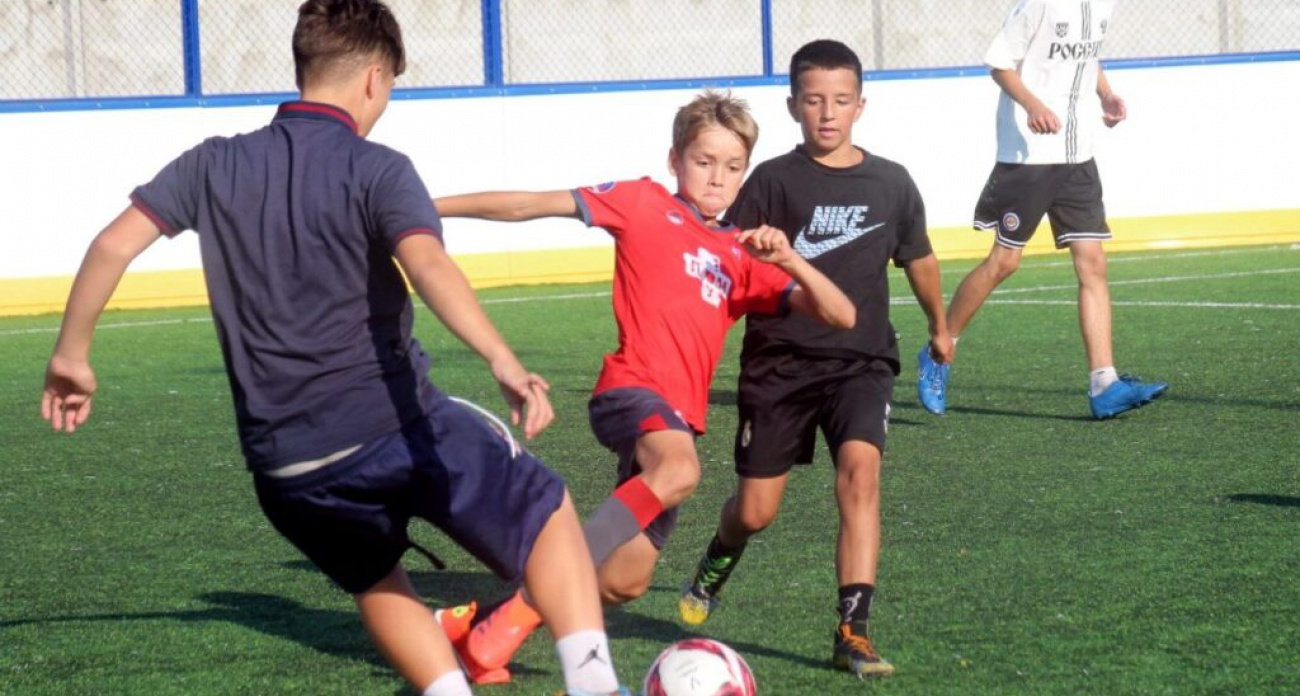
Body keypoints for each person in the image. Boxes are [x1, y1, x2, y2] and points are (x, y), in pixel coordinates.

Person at [38, 2, 630, 695]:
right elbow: (428, 264)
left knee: (376, 579)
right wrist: (502, 358)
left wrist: (71, 356)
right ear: (375, 78)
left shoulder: (211, 163)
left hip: (286, 468)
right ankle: (595, 686)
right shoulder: (378, 168)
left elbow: (111, 244)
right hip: (393, 427)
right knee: (547, 511)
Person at [427, 91, 857, 685]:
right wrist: (424, 208)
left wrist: (789, 260)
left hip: (677, 421)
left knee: (622, 582)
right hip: (630, 391)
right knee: (680, 470)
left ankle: (475, 626)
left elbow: (842, 315)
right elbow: (529, 203)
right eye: (704, 161)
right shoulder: (642, 201)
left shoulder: (741, 255)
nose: (718, 177)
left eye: (733, 167)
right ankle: (507, 625)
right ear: (675, 160)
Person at [676, 40, 953, 679]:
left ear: (861, 105)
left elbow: (919, 258)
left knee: (861, 475)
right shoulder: (771, 180)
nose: (828, 113)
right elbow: (727, 259)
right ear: (792, 106)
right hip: (779, 364)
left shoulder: (891, 182)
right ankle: (718, 556)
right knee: (756, 511)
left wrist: (941, 328)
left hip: (862, 362)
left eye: (841, 100)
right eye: (813, 100)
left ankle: (853, 631)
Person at [916, 0, 1168, 419]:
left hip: (1078, 154)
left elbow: (1086, 57)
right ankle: (939, 351)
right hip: (1029, 155)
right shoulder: (1038, 4)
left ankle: (1104, 384)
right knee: (1004, 262)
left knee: (1093, 263)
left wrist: (1105, 94)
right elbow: (1000, 63)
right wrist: (1033, 105)